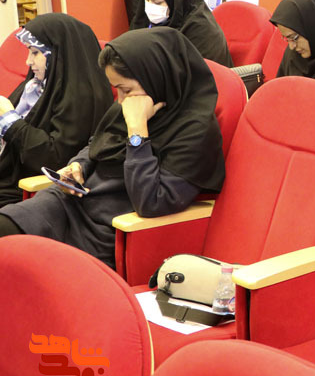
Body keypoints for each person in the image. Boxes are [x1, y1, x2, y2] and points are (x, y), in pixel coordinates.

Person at [0, 27, 226, 267]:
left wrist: (137, 131)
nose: (121, 100)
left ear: (157, 79)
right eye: (117, 89)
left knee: (24, 270)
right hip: (70, 203)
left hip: (109, 228)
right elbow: (97, 142)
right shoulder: (130, 103)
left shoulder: (195, 132)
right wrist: (79, 165)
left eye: (126, 90)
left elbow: (150, 202)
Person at [0, 14, 113, 206]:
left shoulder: (80, 97)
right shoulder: (37, 83)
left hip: (22, 189)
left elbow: (55, 158)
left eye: (35, 53)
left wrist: (11, 123)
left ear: (58, 54)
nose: (28, 61)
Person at [130, 0, 233, 67]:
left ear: (176, 0)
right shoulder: (146, 20)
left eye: (157, 2)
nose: (150, 7)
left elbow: (200, 73)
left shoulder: (202, 33)